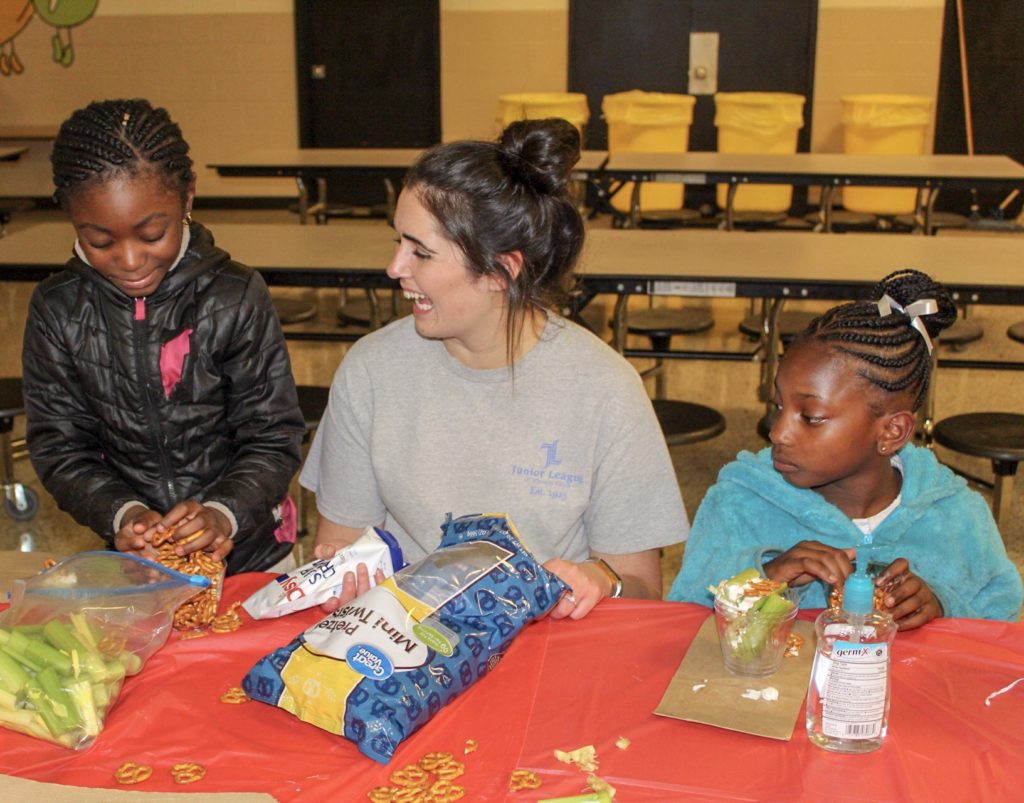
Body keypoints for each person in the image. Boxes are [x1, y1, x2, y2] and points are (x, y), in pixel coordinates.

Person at [300, 118, 689, 619]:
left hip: (549, 649)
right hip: (401, 645)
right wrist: (340, 580)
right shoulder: (371, 371)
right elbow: (341, 546)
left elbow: (639, 587)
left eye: (421, 252)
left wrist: (602, 582)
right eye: (398, 242)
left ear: (500, 271)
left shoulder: (603, 388)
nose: (395, 268)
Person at [23, 98, 305, 574]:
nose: (131, 260)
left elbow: (272, 437)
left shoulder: (234, 296)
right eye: (101, 241)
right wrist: (122, 514)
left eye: (153, 234)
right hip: (136, 566)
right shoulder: (57, 310)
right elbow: (60, 449)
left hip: (254, 554)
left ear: (187, 199)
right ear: (71, 218)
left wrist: (221, 512)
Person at [668, 269, 1023, 629]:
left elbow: (999, 622)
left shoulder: (957, 517)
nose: (778, 433)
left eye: (811, 416)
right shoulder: (738, 504)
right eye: (778, 406)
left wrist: (942, 606)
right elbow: (682, 620)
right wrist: (767, 577)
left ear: (892, 431)